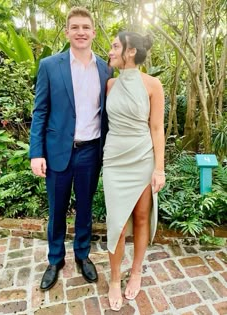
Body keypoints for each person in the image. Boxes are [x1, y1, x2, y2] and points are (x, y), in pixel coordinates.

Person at [29, 7, 112, 291]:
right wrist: (36, 152)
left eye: (85, 27)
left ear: (93, 32)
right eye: (75, 27)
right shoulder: (50, 65)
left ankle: (82, 255)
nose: (80, 32)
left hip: (91, 151)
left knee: (86, 208)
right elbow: (40, 111)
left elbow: (109, 114)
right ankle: (55, 259)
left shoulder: (105, 68)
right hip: (57, 151)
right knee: (57, 209)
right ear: (67, 32)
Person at [103, 31, 165, 311]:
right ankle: (115, 278)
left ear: (130, 52)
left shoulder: (153, 85)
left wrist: (159, 169)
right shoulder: (110, 84)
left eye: (116, 46)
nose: (111, 50)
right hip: (115, 159)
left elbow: (156, 129)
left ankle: (136, 270)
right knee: (116, 221)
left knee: (141, 217)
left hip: (142, 157)